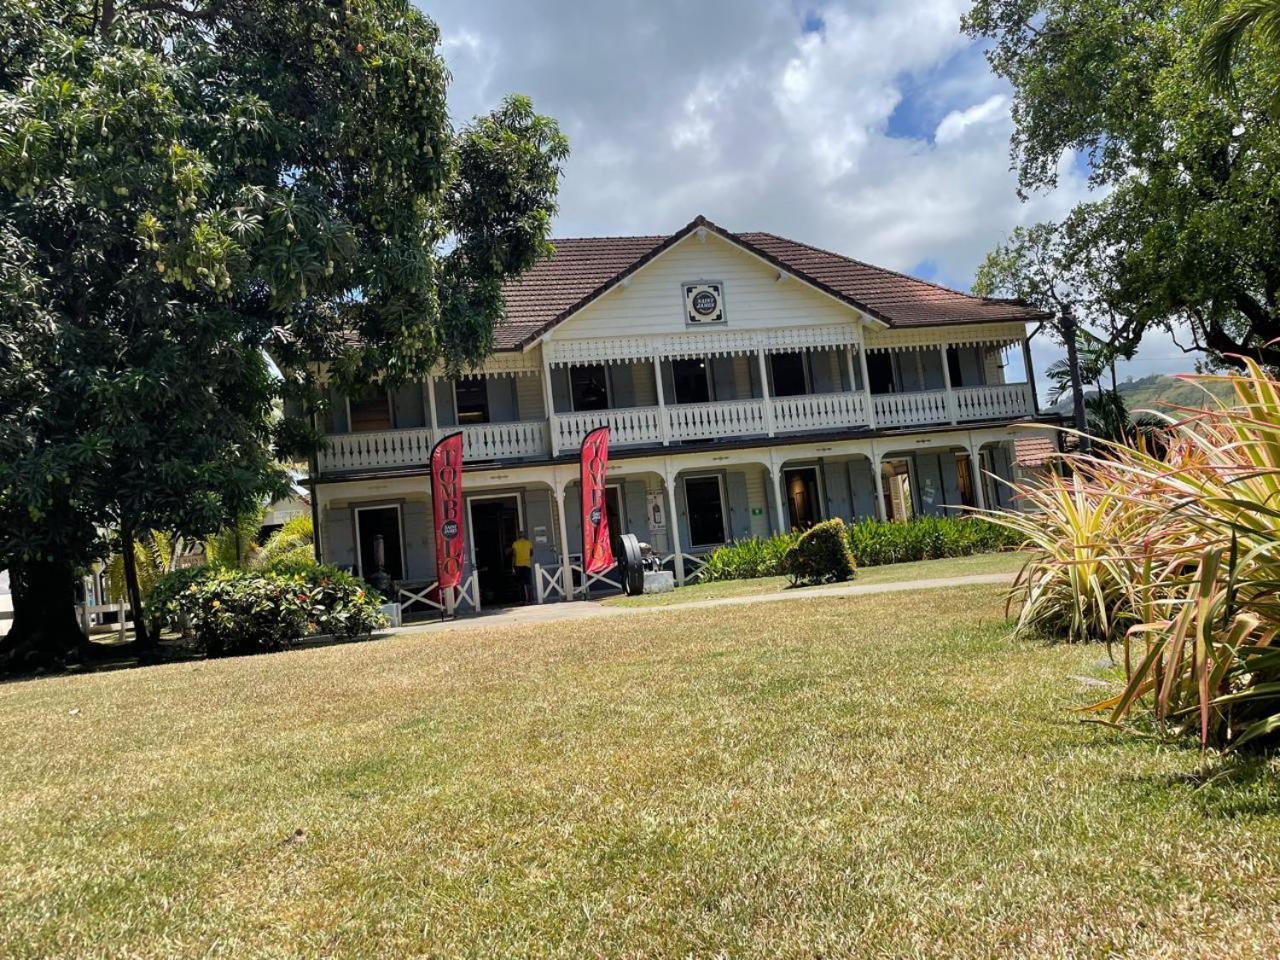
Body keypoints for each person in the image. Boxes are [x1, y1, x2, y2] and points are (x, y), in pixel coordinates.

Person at [510, 529, 535, 603]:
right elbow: (531, 553)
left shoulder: (515, 544)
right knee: (528, 583)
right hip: (527, 565)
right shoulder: (529, 543)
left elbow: (514, 555)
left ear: (518, 536)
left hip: (518, 565)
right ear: (524, 535)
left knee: (520, 584)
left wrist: (512, 567)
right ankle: (529, 600)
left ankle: (522, 600)